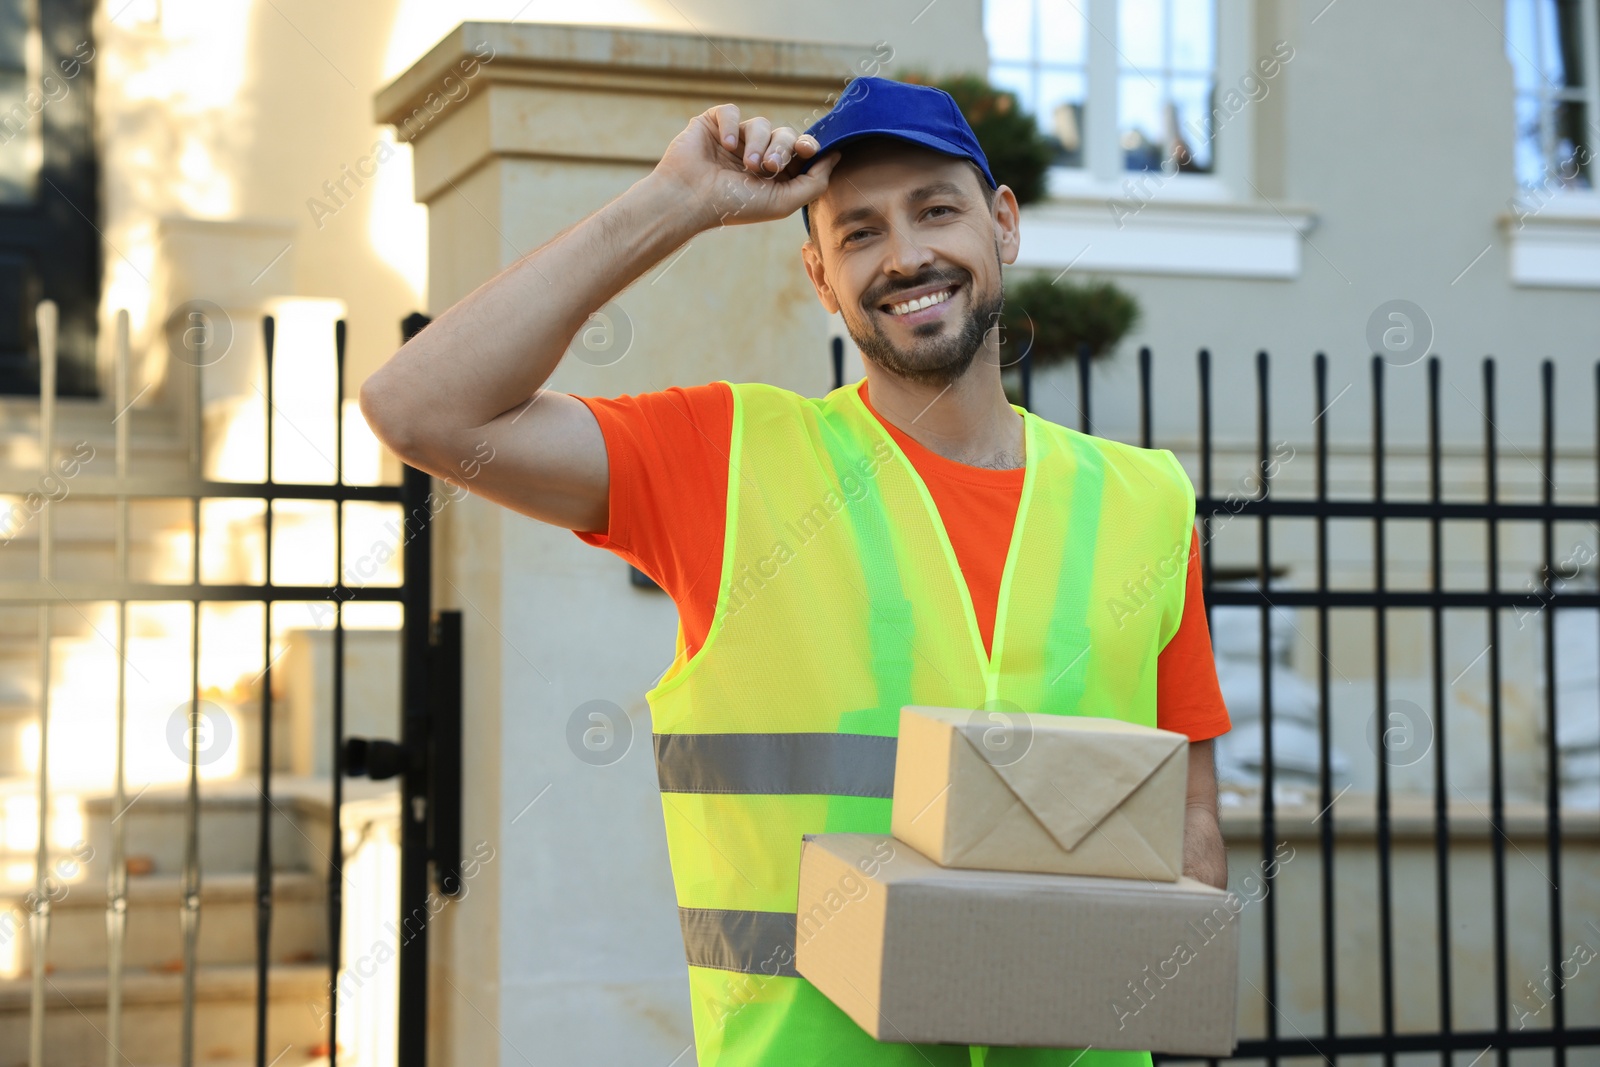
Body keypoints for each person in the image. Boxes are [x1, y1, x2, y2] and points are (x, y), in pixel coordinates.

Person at [361, 74, 1231, 1067]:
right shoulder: (728, 459)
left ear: (1003, 224)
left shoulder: (1146, 498)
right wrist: (674, 203)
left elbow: (1190, 818)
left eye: (935, 210)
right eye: (858, 232)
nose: (905, 255)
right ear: (819, 277)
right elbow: (421, 406)